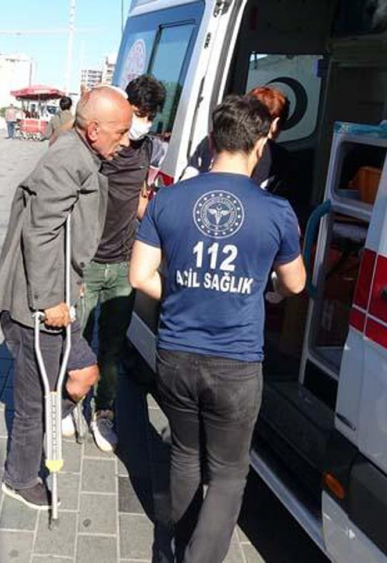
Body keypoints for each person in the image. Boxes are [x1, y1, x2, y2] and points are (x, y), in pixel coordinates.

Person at [129, 95, 307, 563]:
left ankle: (175, 544)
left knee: (185, 453)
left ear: (212, 141)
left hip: (176, 355)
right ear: (261, 144)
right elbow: (296, 283)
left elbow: (139, 276)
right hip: (237, 362)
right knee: (228, 471)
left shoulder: (168, 199)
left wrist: (187, 293)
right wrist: (256, 290)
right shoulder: (277, 211)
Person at [0, 86, 132, 509]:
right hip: (34, 303)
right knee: (36, 398)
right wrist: (52, 297)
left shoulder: (81, 152)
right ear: (94, 130)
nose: (125, 140)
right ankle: (19, 476)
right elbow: (42, 230)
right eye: (120, 132)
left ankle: (53, 418)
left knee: (82, 373)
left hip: (54, 292)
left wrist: (73, 280)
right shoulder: (69, 157)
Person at [73, 75, 166, 451]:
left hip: (123, 264)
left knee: (112, 346)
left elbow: (138, 201)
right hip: (89, 261)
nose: (143, 122)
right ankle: (68, 402)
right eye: (138, 113)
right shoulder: (100, 147)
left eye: (149, 115)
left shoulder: (148, 150)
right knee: (77, 340)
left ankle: (104, 412)